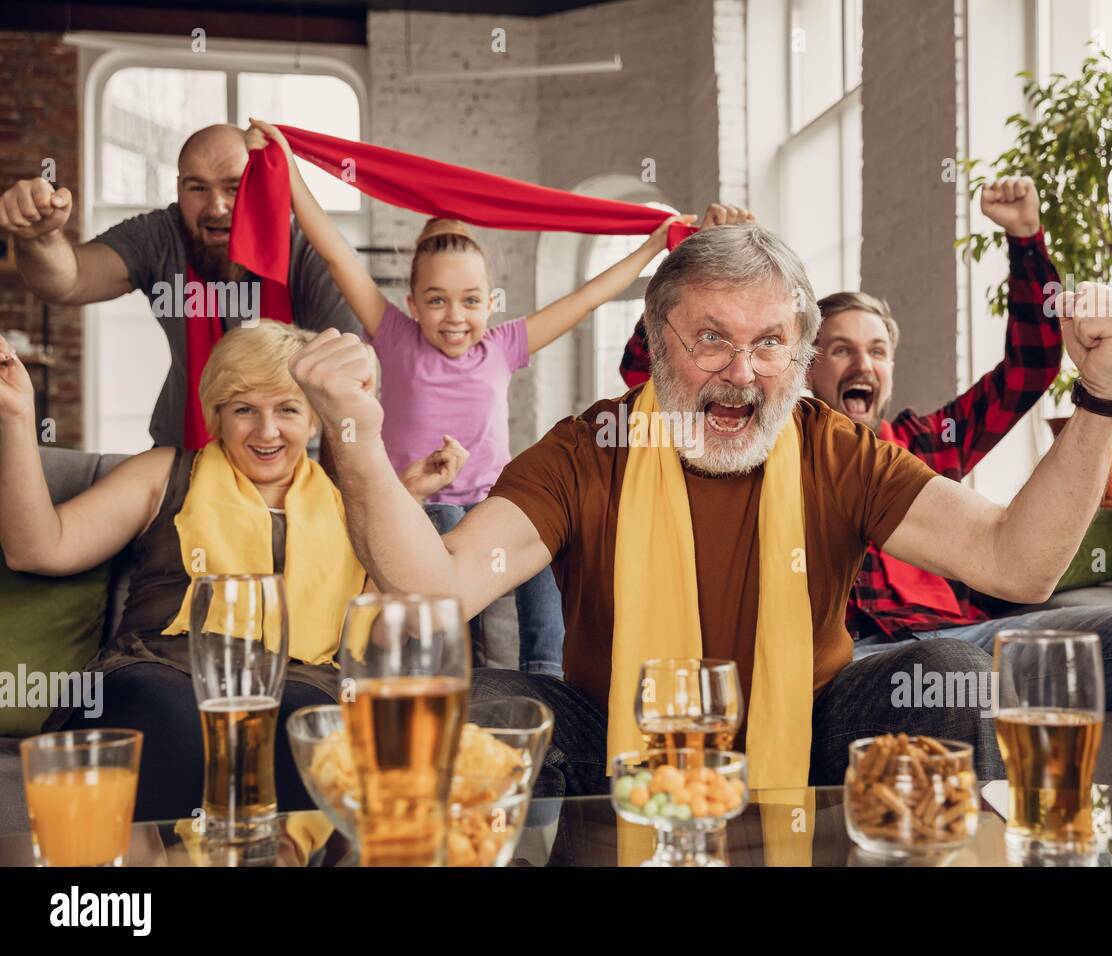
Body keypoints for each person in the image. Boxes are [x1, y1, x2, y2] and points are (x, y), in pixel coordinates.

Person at [288, 223, 1112, 803]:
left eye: (770, 342)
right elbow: (436, 590)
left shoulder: (832, 448)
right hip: (614, 735)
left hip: (806, 726)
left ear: (798, 351)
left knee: (951, 668)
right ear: (658, 343)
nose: (743, 372)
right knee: (470, 710)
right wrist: (357, 437)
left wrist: (1103, 399)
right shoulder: (595, 445)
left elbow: (1014, 562)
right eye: (711, 339)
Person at [797, 177, 1112, 866]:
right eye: (840, 348)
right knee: (947, 668)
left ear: (891, 370)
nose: (861, 362)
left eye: (876, 349)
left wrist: (1025, 238)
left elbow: (1029, 369)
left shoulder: (928, 440)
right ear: (808, 366)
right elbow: (651, 382)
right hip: (867, 655)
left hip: (985, 635)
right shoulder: (790, 452)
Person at [244, 118, 752, 678]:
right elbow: (337, 255)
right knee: (440, 569)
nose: (454, 316)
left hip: (493, 506)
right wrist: (288, 167)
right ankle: (440, 676)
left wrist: (654, 246)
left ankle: (546, 671)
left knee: (546, 543)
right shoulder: (393, 336)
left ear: (491, 304)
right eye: (436, 301)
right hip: (418, 509)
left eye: (469, 301)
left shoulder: (503, 346)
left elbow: (585, 299)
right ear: (413, 304)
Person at [0, 322, 386, 821]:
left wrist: (397, 497)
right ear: (217, 415)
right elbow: (38, 548)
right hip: (163, 671)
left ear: (315, 420)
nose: (266, 431)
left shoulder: (353, 502)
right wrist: (16, 416)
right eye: (245, 409)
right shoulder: (165, 472)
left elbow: (384, 627)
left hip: (300, 680)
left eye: (288, 409)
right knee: (163, 709)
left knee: (310, 725)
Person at [0, 124, 360, 449]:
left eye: (233, 187)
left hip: (291, 459)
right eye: (198, 188)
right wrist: (40, 239)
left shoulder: (307, 251)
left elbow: (348, 381)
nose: (216, 206)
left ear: (261, 184)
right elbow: (70, 280)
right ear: (178, 188)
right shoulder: (162, 235)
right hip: (185, 454)